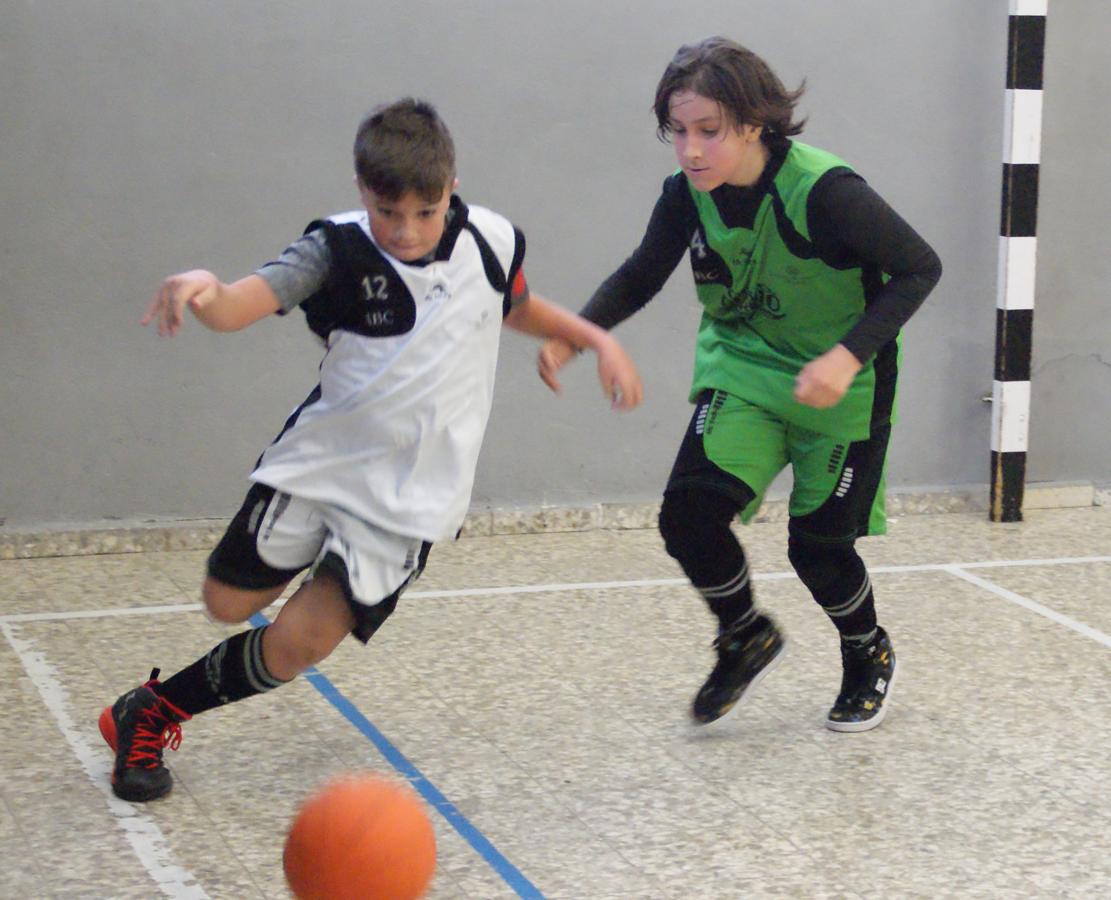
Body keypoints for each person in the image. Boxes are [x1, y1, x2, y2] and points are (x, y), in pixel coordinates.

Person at [100, 98, 643, 802]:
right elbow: (238, 305)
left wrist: (594, 338)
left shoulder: (492, 240)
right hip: (323, 467)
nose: (407, 230)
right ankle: (263, 596)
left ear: (452, 186)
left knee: (299, 645)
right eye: (389, 212)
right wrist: (205, 290)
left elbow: (511, 304)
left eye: (426, 210)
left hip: (415, 497)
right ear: (363, 192)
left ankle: (153, 712)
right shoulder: (335, 250)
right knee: (226, 602)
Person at [540, 37, 941, 732]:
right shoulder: (685, 197)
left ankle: (865, 649)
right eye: (677, 132)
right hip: (746, 369)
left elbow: (918, 267)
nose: (689, 150)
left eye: (707, 132)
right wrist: (578, 335)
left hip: (841, 383)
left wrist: (847, 356)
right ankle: (743, 634)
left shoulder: (825, 194)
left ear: (753, 124)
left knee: (816, 548)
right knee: (686, 515)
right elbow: (640, 274)